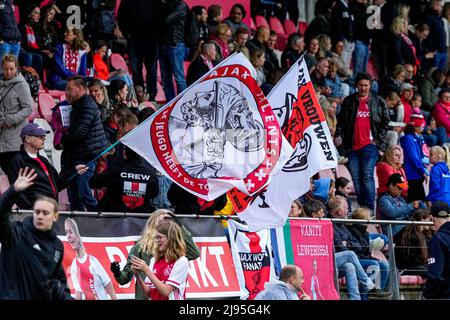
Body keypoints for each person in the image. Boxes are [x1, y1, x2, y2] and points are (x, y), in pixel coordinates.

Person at [0, 167, 72, 300]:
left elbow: (56, 285)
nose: (40, 216)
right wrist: (13, 191)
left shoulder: (57, 247)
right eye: (37, 212)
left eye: (45, 213)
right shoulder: (16, 233)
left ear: (55, 216)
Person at [110, 209, 199, 299]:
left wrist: (180, 227)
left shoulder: (177, 257)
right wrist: (117, 273)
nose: (167, 224)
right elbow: (125, 278)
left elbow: (194, 253)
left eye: (169, 221)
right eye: (164, 221)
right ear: (154, 224)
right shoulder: (140, 247)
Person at [335, 72, 390, 210]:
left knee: (366, 175)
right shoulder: (349, 101)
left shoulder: (378, 101)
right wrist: (338, 134)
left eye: (366, 85)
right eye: (361, 85)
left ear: (370, 85)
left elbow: (385, 122)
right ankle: (362, 206)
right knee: (356, 178)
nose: (363, 88)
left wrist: (378, 142)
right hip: (352, 145)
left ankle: (370, 208)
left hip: (370, 145)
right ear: (356, 85)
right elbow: (341, 121)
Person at [7, 123, 87, 209]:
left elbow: (57, 183)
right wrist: (31, 210)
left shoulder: (43, 160)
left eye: (44, 136)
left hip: (49, 212)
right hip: (36, 215)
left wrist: (74, 171)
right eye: (40, 136)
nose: (44, 139)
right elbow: (16, 191)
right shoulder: (18, 161)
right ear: (28, 138)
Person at [61, 76, 108, 211]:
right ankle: (79, 224)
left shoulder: (86, 105)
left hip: (86, 157)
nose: (67, 92)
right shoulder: (78, 105)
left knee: (84, 194)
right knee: (74, 195)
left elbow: (80, 133)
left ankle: (100, 221)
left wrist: (63, 140)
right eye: (66, 89)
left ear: (81, 88)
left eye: (70, 89)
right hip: (76, 156)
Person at [131, 219, 189, 300]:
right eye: (156, 237)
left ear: (171, 238)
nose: (157, 240)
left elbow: (165, 292)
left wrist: (147, 271)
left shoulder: (181, 261)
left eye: (160, 237)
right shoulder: (154, 260)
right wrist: (137, 275)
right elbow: (148, 294)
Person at [89, 146, 159, 213]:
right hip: (140, 217)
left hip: (113, 218)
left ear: (124, 154)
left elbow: (93, 182)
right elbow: (154, 193)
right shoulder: (150, 174)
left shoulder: (116, 171)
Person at [64, 218, 116, 300]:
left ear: (77, 235)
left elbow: (108, 284)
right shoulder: (74, 265)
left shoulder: (93, 261)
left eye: (71, 232)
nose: (68, 236)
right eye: (66, 232)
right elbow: (78, 293)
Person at [0, 54, 33, 173]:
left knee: (14, 172)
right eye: (5, 69)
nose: (8, 72)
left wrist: (9, 120)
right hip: (1, 136)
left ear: (16, 68)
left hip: (15, 136)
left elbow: (29, 108)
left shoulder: (22, 85)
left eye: (11, 69)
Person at [394, 208, 433, 278]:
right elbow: (410, 260)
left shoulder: (424, 234)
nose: (431, 222)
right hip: (406, 268)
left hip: (418, 266)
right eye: (429, 220)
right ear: (422, 219)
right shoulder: (408, 235)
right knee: (431, 272)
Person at [423, 201, 450, 299]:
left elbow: (435, 275)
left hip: (444, 294)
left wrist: (427, 294)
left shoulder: (437, 239)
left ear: (432, 218)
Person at [400, 114, 429, 202]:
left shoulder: (419, 137)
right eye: (421, 126)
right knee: (416, 201)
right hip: (413, 174)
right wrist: (422, 170)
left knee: (420, 201)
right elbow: (413, 157)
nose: (422, 128)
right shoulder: (408, 139)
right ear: (415, 126)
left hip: (418, 173)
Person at [0, 0, 21, 69]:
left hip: (15, 43)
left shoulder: (9, 2)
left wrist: (18, 38)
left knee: (13, 72)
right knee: (2, 70)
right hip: (5, 43)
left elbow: (14, 22)